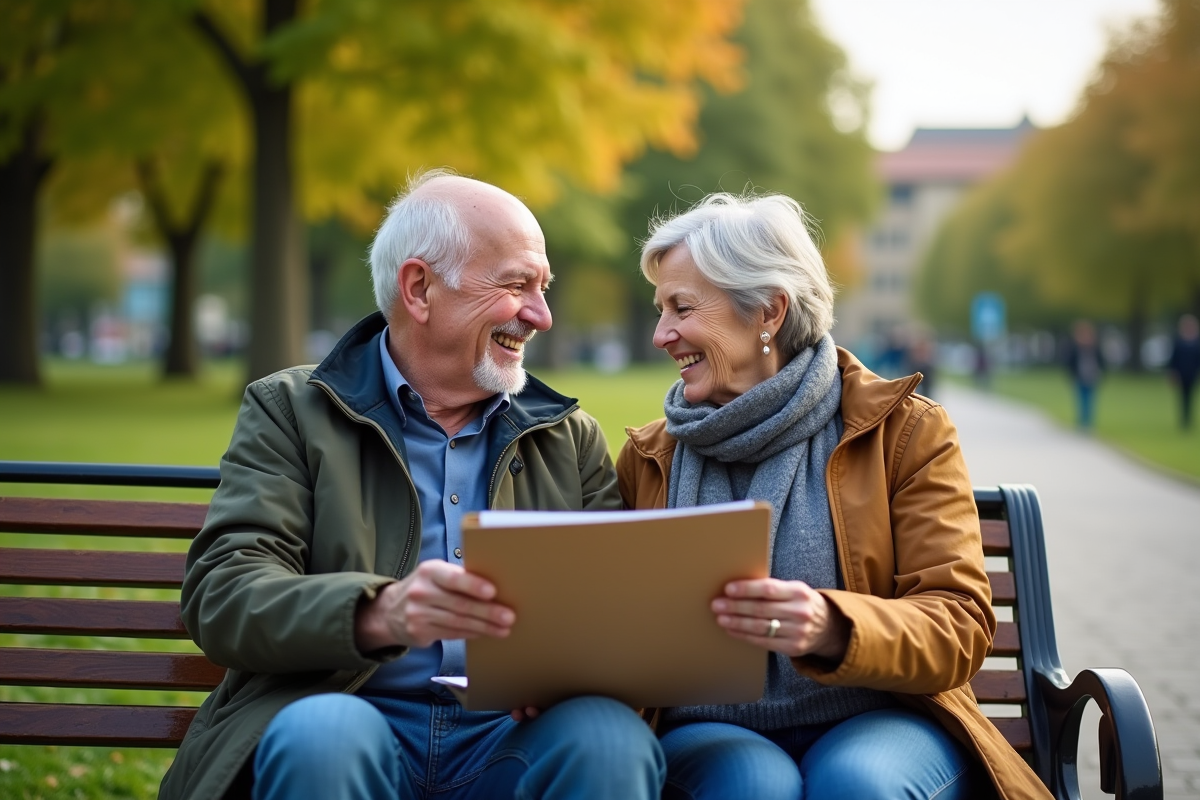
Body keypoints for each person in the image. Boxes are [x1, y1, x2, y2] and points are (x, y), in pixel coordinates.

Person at [159, 170, 665, 800]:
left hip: (508, 737)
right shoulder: (291, 410)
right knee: (323, 734)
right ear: (420, 288)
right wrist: (380, 611)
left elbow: (613, 612)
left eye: (543, 288)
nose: (541, 315)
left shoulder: (568, 436)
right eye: (515, 285)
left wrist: (582, 668)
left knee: (607, 738)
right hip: (352, 714)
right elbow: (226, 595)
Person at [616, 193, 1050, 800]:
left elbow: (958, 622)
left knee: (856, 785)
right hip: (707, 726)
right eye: (661, 309)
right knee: (752, 788)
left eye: (682, 308)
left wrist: (831, 626)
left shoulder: (905, 434)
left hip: (883, 716)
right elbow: (611, 625)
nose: (662, 334)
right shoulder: (649, 457)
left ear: (767, 311)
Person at [1064, 320, 1105, 430]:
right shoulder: (1075, 348)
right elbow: (1070, 363)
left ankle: (1088, 422)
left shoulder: (1094, 347)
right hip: (1079, 376)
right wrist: (1071, 376)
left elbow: (1101, 362)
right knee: (1081, 399)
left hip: (1092, 376)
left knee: (1090, 399)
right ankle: (1082, 421)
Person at [1167, 313, 1200, 430]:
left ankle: (1189, 419)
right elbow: (1174, 358)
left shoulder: (1196, 342)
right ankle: (1183, 420)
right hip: (1181, 373)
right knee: (1182, 397)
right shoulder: (1179, 341)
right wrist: (1172, 372)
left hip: (1193, 374)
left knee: (1191, 397)